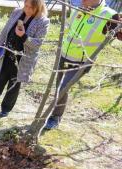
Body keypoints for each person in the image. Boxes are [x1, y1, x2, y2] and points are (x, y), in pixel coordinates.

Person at [45, 0, 122, 129]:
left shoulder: (108, 15)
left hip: (81, 62)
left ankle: (55, 117)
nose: (81, 0)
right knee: (59, 85)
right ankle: (54, 113)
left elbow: (119, 35)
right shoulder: (78, 9)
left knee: (63, 88)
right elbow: (70, 29)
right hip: (64, 55)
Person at [0, 0, 50, 117]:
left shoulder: (43, 21)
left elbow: (37, 44)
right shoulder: (17, 12)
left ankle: (5, 109)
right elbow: (5, 31)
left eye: (30, 7)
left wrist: (23, 36)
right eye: (25, 6)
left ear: (38, 8)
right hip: (7, 54)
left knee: (14, 84)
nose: (26, 9)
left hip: (23, 59)